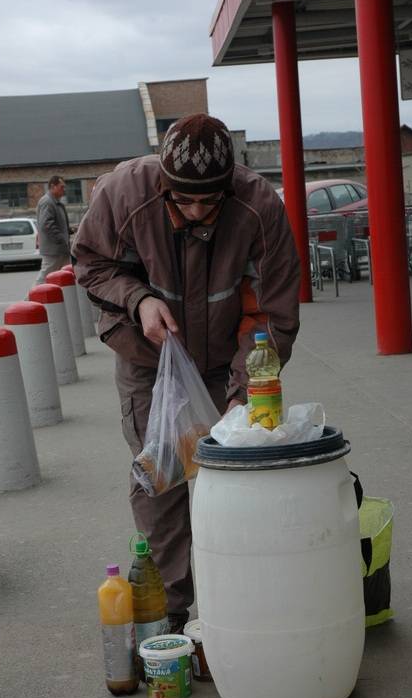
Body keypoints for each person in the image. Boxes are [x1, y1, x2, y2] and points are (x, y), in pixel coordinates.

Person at [72, 113, 300, 633]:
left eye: (209, 200)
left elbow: (273, 312)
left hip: (227, 360)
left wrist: (247, 390)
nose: (197, 210)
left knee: (239, 473)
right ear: (163, 183)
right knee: (163, 478)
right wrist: (140, 300)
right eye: (184, 199)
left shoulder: (257, 205)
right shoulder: (124, 193)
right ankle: (170, 616)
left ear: (229, 186)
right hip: (150, 360)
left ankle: (243, 605)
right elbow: (89, 262)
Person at [35, 175, 72, 283]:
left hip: (61, 249)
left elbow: (57, 224)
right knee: (45, 278)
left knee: (66, 276)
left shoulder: (56, 202)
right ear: (53, 186)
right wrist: (61, 238)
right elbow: (46, 225)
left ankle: (64, 298)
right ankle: (30, 298)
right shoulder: (47, 202)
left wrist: (69, 230)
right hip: (53, 250)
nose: (64, 190)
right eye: (61, 187)